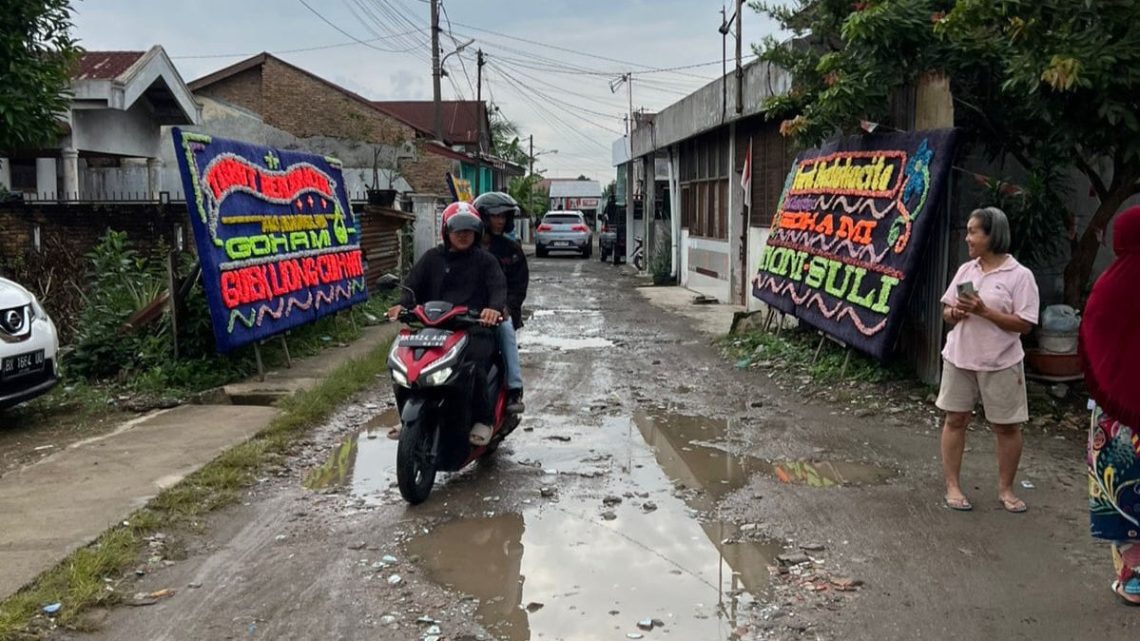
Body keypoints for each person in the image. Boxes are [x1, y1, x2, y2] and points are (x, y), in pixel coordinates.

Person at [936, 206, 1040, 513]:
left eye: (973, 232)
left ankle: (1006, 490)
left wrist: (985, 312)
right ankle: (953, 486)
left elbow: (1025, 324)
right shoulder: (967, 270)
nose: (967, 238)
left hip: (1001, 362)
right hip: (959, 358)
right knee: (955, 420)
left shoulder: (1020, 276)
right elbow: (946, 312)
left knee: (1007, 427)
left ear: (992, 236)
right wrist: (955, 312)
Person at [387, 201, 506, 446]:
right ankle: (407, 416)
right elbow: (411, 287)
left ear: (477, 232)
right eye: (457, 229)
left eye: (469, 229)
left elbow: (498, 288)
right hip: (434, 329)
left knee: (472, 362)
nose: (463, 235)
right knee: (403, 362)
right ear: (446, 231)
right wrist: (401, 305)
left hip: (473, 328)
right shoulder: (432, 258)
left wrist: (493, 309)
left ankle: (483, 419)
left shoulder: (485, 261)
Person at [1080, 204, 1140, 606]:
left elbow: (1090, 339)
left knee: (1123, 488)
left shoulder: (1109, 286)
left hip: (1120, 418)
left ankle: (1134, 579)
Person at [473, 191, 529, 414]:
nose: (500, 221)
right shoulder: (467, 248)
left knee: (505, 330)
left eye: (504, 216)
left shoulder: (511, 250)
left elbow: (518, 288)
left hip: (501, 312)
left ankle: (515, 388)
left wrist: (505, 308)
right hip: (468, 310)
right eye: (495, 216)